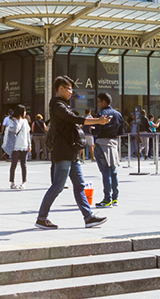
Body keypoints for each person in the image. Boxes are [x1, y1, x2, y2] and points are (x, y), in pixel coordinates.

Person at [35, 76, 110, 229]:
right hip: (63, 152)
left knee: (79, 185)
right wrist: (97, 121)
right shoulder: (57, 105)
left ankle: (88, 217)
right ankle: (41, 218)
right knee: (58, 186)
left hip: (71, 152)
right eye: (68, 88)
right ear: (60, 88)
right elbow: (73, 119)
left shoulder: (64, 105)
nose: (71, 91)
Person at [92, 92, 124, 207]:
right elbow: (121, 132)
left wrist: (92, 129)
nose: (98, 104)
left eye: (99, 102)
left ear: (104, 102)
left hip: (102, 144)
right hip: (113, 145)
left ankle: (107, 199)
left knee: (105, 172)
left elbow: (96, 131)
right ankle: (115, 198)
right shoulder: (118, 114)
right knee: (113, 171)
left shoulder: (101, 114)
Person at [6, 105, 30, 189]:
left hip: (24, 145)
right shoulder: (12, 121)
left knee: (24, 164)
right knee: (14, 164)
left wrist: (29, 144)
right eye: (24, 111)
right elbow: (14, 130)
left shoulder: (25, 121)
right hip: (15, 145)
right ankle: (12, 182)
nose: (25, 113)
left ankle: (24, 182)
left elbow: (28, 134)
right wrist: (16, 121)